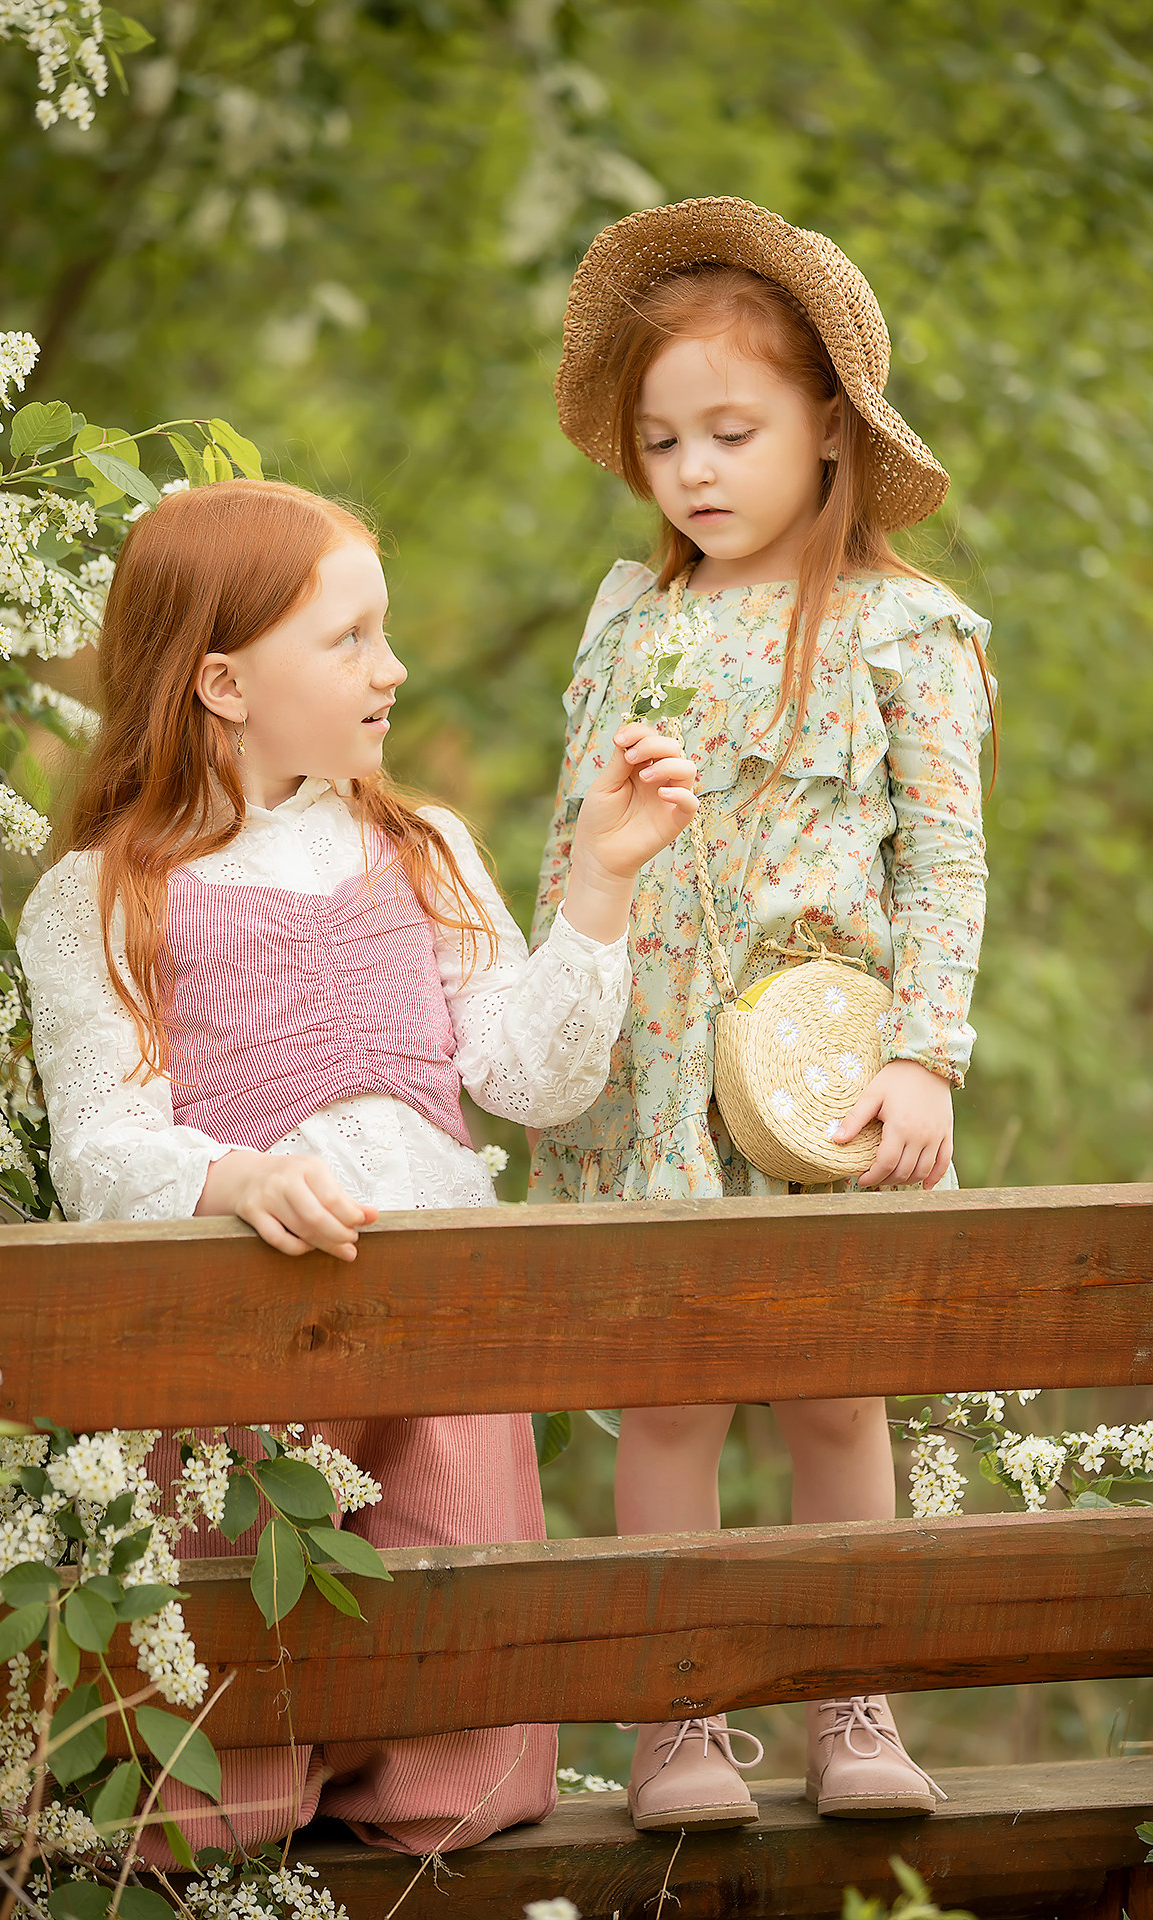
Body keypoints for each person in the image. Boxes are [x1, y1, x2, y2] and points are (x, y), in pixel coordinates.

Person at [16, 477, 697, 1860]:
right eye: (349, 640)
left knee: (457, 1787)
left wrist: (604, 888)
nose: (391, 669)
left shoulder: (419, 846)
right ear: (223, 681)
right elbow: (99, 1150)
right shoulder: (101, 893)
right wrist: (237, 1179)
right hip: (247, 1389)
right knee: (224, 1801)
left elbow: (527, 1075)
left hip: (440, 1370)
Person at [531, 197, 997, 1830]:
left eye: (732, 430)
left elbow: (944, 863)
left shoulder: (901, 633)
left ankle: (849, 1709)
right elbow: (566, 852)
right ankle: (677, 1722)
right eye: (664, 442)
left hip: (819, 1072)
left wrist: (923, 1052)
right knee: (664, 1395)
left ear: (828, 432)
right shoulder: (633, 628)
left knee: (831, 1387)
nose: (694, 470)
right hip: (652, 1075)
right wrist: (558, 1022)